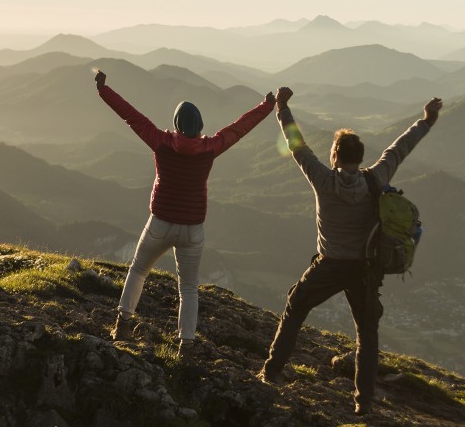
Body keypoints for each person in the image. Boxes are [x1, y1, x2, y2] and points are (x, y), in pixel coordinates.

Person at [258, 86, 443, 416]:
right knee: (367, 332)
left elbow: (296, 145)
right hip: (364, 269)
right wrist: (426, 121)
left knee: (295, 308)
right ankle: (364, 403)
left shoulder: (322, 179)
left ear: (335, 156)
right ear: (359, 157)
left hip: (329, 265)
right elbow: (399, 149)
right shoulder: (376, 178)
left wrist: (282, 108)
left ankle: (270, 373)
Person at [94, 67, 275, 356]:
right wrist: (267, 105)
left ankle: (122, 325)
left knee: (139, 270)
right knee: (188, 288)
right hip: (193, 229)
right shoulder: (210, 148)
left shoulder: (160, 142)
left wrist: (104, 90)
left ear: (177, 124)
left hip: (160, 223)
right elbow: (240, 128)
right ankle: (186, 344)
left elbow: (131, 115)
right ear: (200, 125)